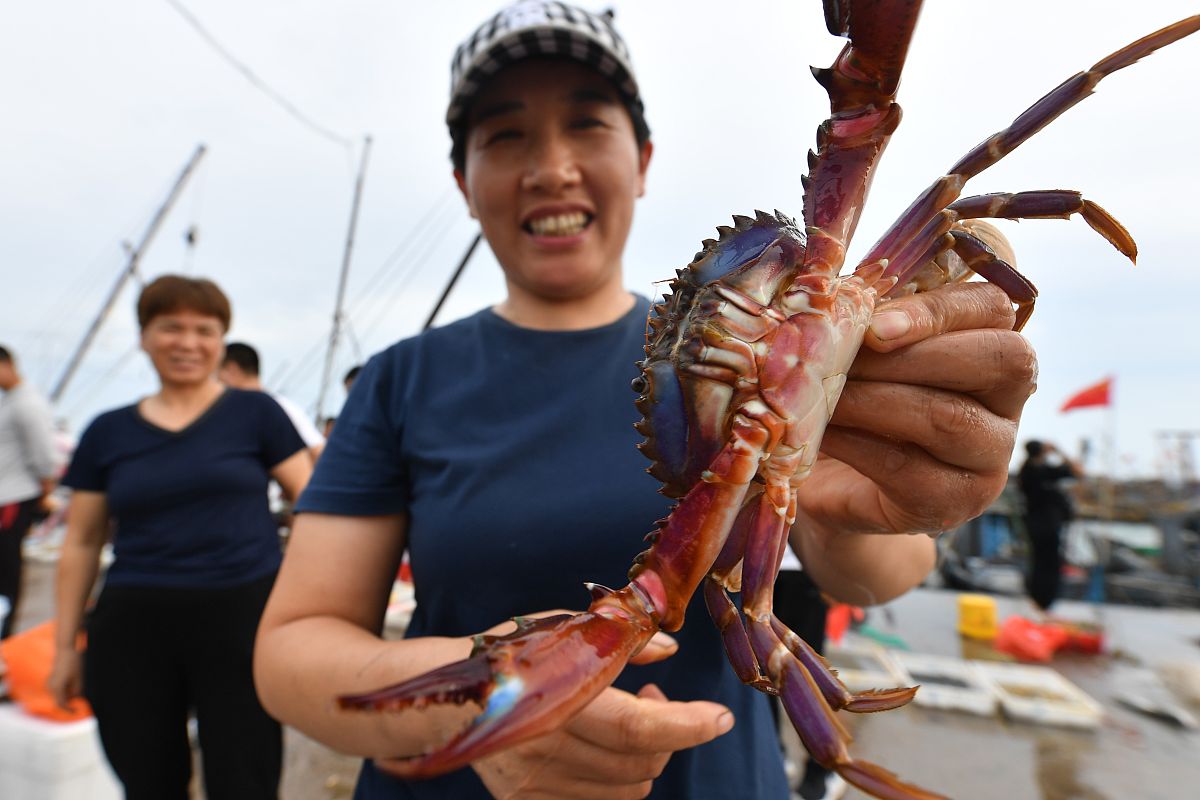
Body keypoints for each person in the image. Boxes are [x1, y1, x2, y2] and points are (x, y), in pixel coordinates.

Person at [252, 4, 1037, 799]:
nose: (551, 167)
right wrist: (455, 706)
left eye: (587, 125)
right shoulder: (399, 381)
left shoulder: (822, 329)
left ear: (643, 160)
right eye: (505, 135)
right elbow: (289, 655)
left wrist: (890, 462)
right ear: (464, 180)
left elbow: (877, 577)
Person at [47, 276, 312, 800]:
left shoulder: (257, 414)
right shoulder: (107, 431)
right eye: (170, 327)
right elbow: (80, 541)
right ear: (144, 336)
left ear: (221, 339)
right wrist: (64, 648)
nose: (187, 343)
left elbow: (314, 506)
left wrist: (301, 611)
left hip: (243, 620)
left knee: (245, 777)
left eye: (204, 330)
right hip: (133, 626)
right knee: (147, 779)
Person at [0, 345, 60, 639]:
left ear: (7, 365)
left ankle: (6, 639)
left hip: (13, 499)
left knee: (8, 570)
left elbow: (45, 456)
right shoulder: (10, 402)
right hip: (7, 496)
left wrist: (46, 493)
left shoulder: (27, 404)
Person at [219, 341, 326, 461]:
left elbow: (319, 451)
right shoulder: (238, 409)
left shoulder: (277, 408)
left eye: (215, 373)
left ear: (231, 369)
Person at [1018, 440, 1083, 611]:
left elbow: (1076, 473)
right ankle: (1043, 602)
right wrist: (1059, 450)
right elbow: (1077, 471)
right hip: (1046, 525)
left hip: (1039, 524)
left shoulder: (1029, 469)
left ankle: (1040, 602)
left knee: (1041, 562)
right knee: (1049, 563)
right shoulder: (1038, 470)